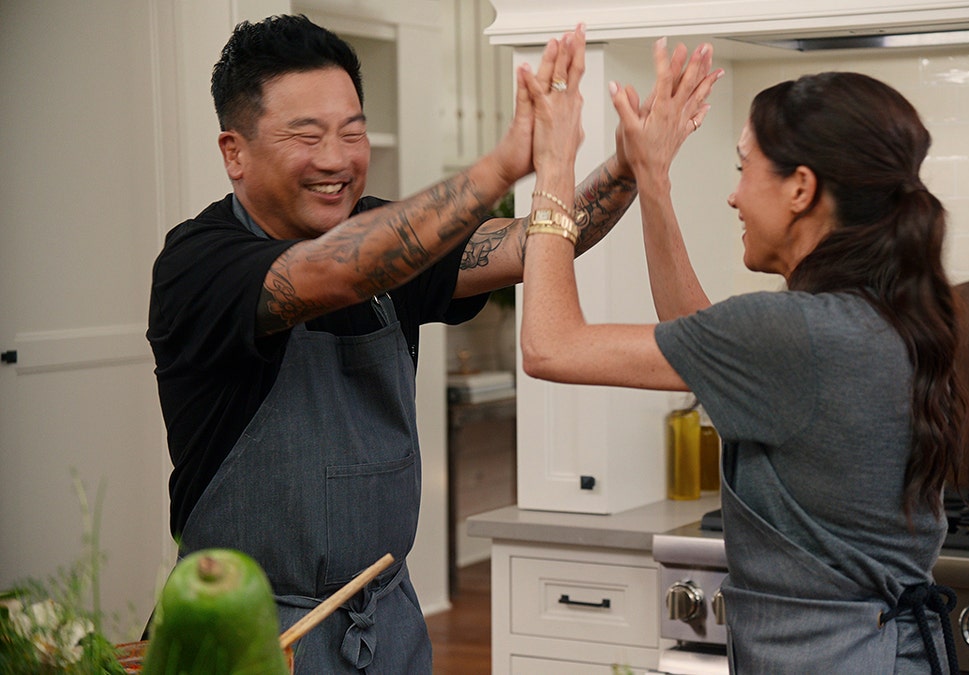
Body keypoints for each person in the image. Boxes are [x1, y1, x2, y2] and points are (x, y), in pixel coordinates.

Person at [145, 16, 669, 674]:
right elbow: (339, 269)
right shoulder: (199, 262)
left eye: (352, 130)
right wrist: (508, 160)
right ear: (235, 152)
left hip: (387, 626)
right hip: (247, 638)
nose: (337, 159)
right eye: (307, 135)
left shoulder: (385, 231)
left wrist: (627, 164)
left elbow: (530, 242)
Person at [519, 33, 964, 674]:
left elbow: (549, 347)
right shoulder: (877, 314)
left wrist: (555, 166)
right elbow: (701, 337)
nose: (733, 196)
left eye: (743, 168)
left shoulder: (796, 333)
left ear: (800, 188)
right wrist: (652, 178)